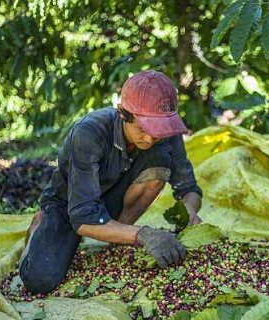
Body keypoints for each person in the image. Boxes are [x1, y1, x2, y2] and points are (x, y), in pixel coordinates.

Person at [19, 70, 203, 295]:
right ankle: (41, 223)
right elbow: (84, 217)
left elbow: (189, 189)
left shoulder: (166, 133)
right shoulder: (89, 132)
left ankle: (116, 234)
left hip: (112, 198)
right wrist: (143, 235)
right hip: (70, 205)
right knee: (40, 281)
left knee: (160, 159)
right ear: (123, 114)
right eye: (143, 130)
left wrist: (189, 212)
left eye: (158, 132)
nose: (150, 138)